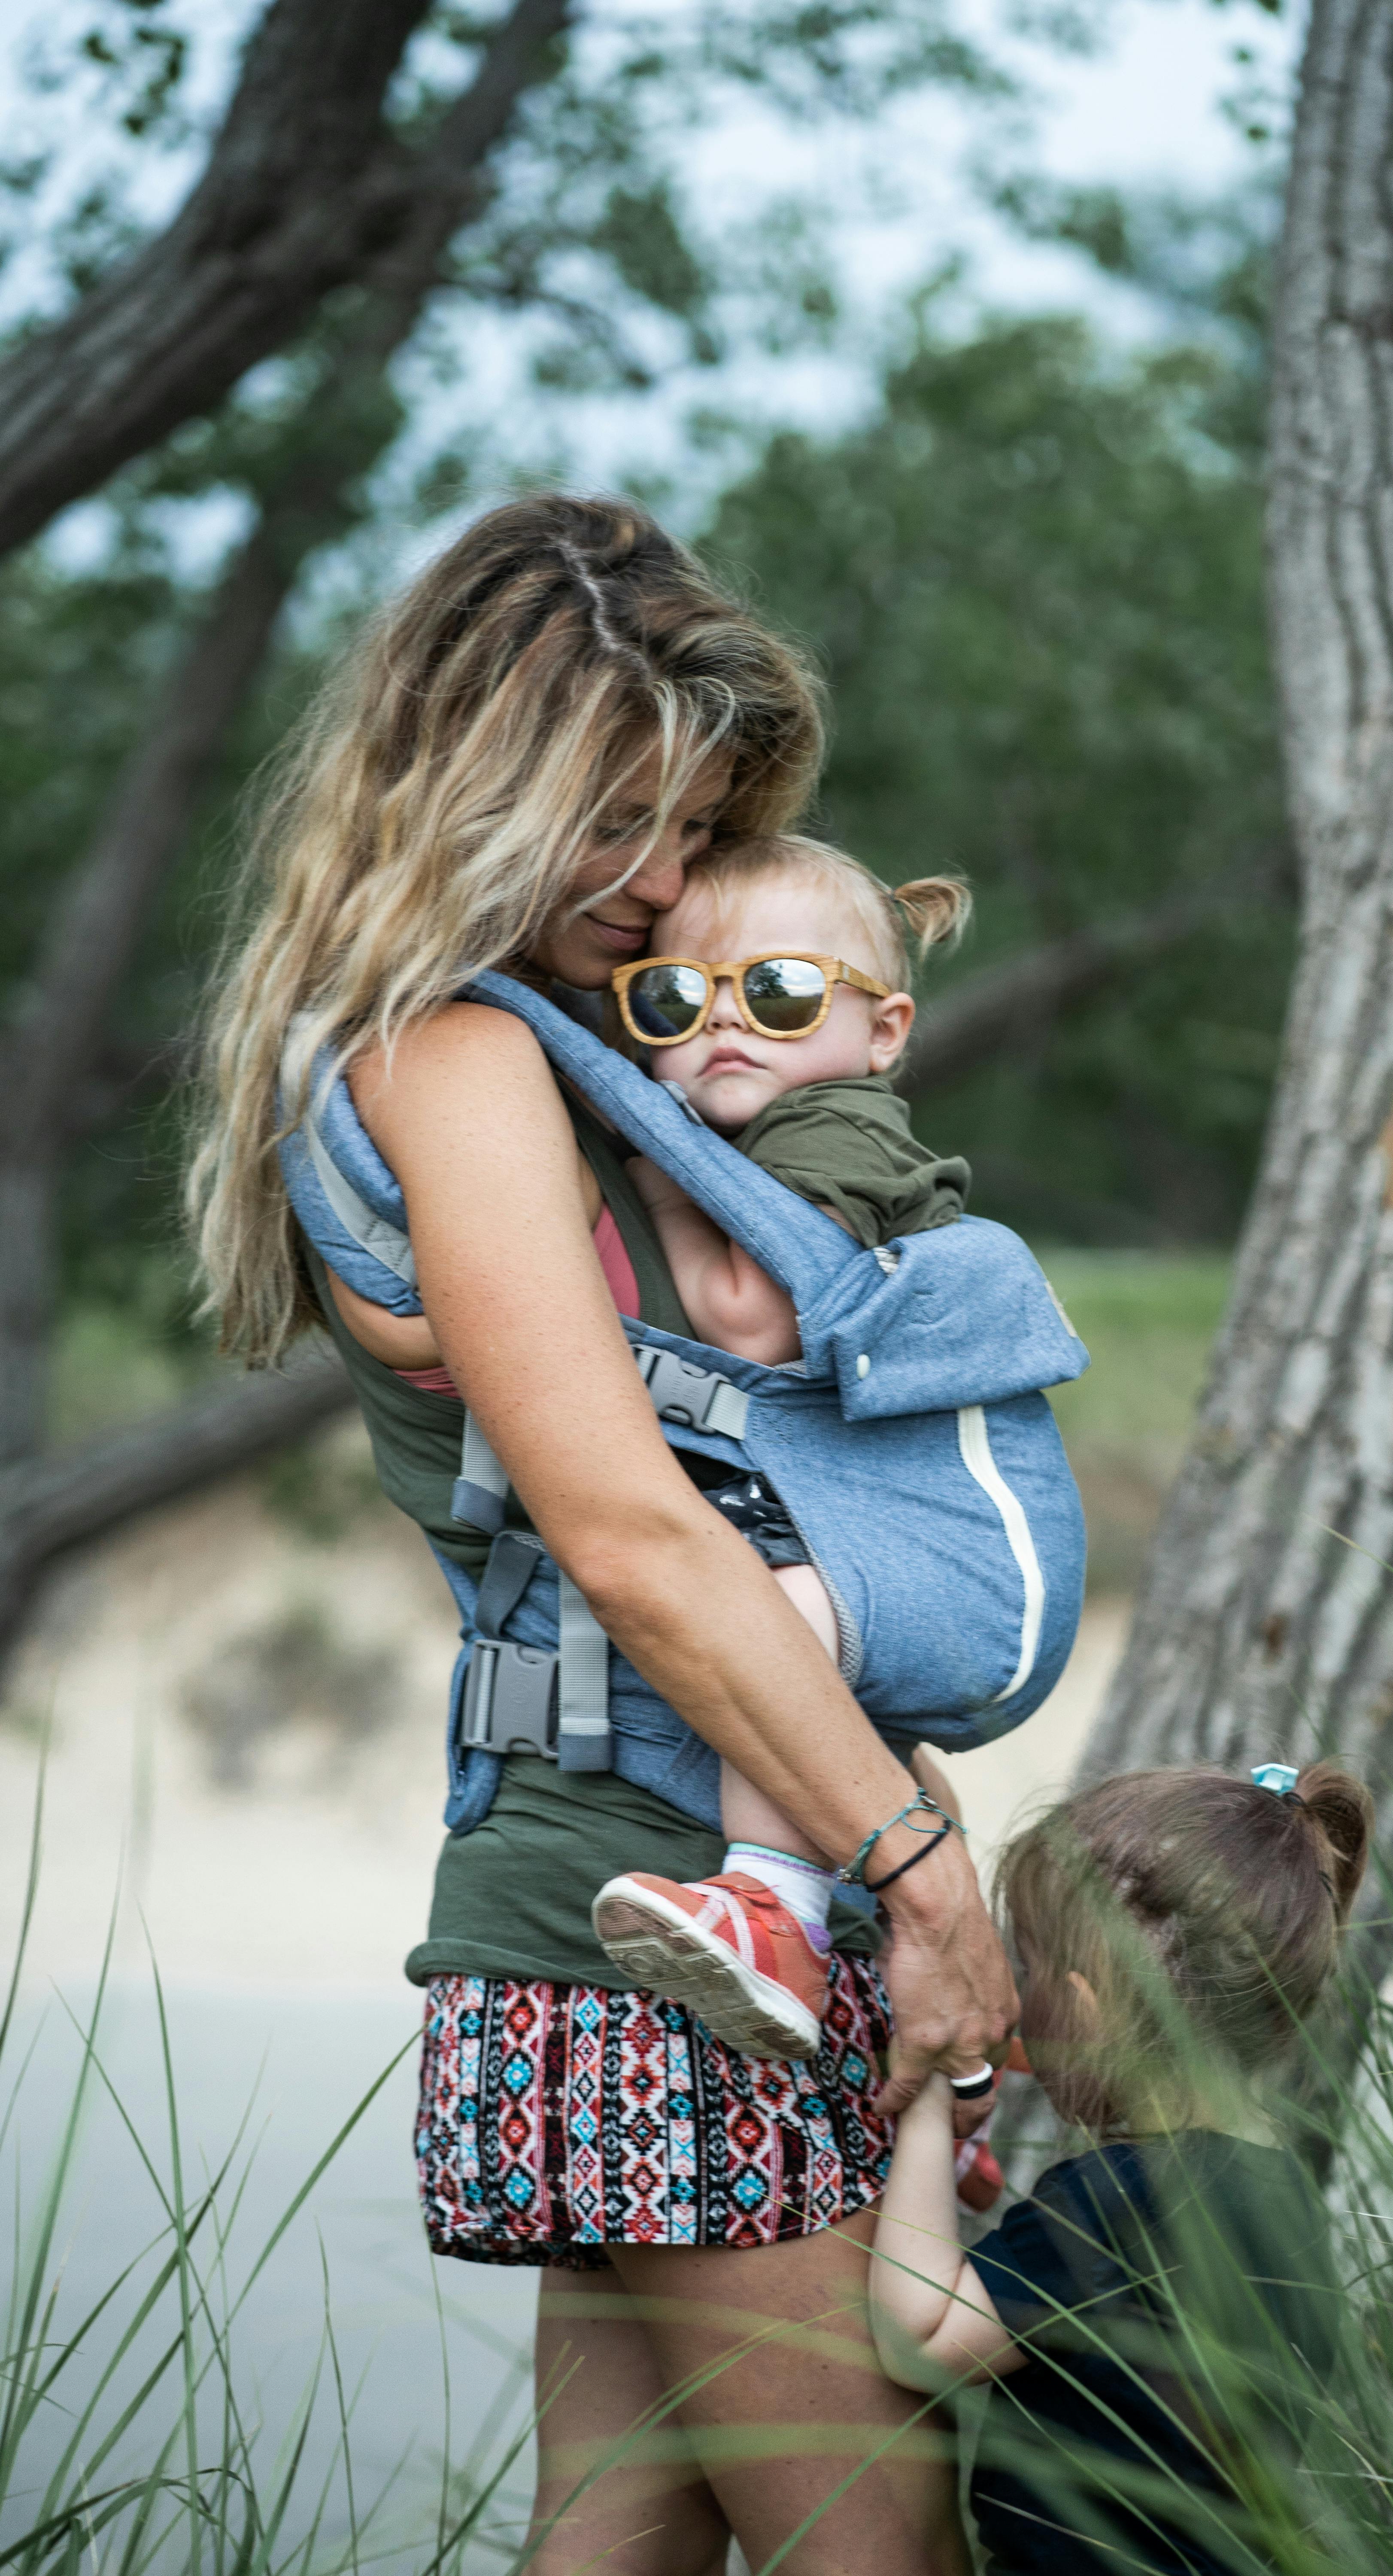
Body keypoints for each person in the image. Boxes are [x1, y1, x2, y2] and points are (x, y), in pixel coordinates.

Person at [190, 494, 1013, 2576]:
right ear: (470, 783)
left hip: (622, 1903)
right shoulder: (457, 1060)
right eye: (615, 817)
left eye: (694, 824)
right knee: (879, 2551)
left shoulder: (508, 1064)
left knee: (623, 2539)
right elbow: (632, 1533)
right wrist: (922, 1882)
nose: (657, 883)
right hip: (654, 1921)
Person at [589, 833, 980, 2057]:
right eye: (673, 998)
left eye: (782, 991)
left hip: (908, 1521)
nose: (724, 1026)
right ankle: (962, 2074)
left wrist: (657, 1176)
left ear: (884, 1030)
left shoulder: (837, 1129)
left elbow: (753, 1316)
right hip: (860, 1499)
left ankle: (776, 1909)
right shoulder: (787, 1127)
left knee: (774, 1623)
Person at [868, 1761, 1372, 2576]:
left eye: (1026, 1972)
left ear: (1086, 2009)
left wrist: (928, 2082)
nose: (1018, 2002)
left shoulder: (1120, 2201)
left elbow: (919, 2340)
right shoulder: (1282, 2192)